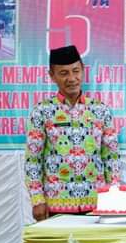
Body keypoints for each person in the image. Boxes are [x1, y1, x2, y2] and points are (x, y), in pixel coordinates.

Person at [25, 45, 120, 220]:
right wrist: (37, 199)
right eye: (64, 73)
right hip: (56, 204)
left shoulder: (101, 110)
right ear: (52, 76)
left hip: (97, 203)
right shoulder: (41, 111)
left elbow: (111, 157)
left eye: (76, 71)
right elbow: (33, 160)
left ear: (83, 70)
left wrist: (114, 194)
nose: (71, 78)